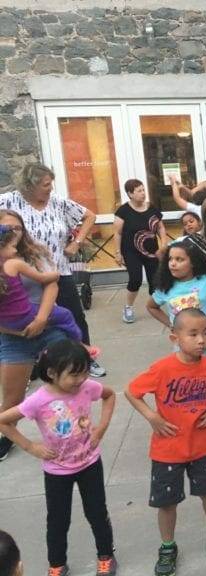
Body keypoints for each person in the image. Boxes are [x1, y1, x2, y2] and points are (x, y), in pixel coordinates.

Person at [0, 339, 117, 576]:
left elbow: (110, 395)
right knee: (57, 520)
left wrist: (101, 428)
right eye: (74, 375)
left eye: (84, 372)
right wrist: (31, 446)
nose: (81, 379)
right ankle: (57, 564)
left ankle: (105, 555)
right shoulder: (38, 400)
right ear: (52, 373)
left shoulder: (87, 387)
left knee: (96, 512)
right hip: (57, 471)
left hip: (90, 463)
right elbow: (4, 420)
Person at [126, 308, 206, 576]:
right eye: (193, 334)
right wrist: (152, 416)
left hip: (201, 446)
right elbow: (131, 391)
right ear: (175, 337)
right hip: (167, 449)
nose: (201, 340)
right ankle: (168, 546)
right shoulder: (162, 369)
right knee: (166, 503)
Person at [0, 163, 105, 378]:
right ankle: (34, 363)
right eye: (46, 184)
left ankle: (84, 358)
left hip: (58, 268)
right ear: (29, 185)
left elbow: (89, 216)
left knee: (73, 316)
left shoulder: (57, 202)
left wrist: (77, 242)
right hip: (22, 272)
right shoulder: (9, 200)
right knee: (24, 316)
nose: (50, 188)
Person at [0, 210, 68, 461]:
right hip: (13, 337)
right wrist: (9, 330)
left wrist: (41, 319)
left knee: (66, 384)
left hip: (48, 327)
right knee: (12, 397)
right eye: (7, 229)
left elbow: (51, 283)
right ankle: (7, 436)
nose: (13, 233)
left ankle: (68, 433)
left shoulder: (34, 253)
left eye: (17, 227)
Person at [0, 225, 82, 342]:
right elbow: (42, 278)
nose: (15, 250)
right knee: (66, 315)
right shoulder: (13, 264)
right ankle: (79, 344)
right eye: (12, 246)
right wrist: (55, 274)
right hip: (25, 315)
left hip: (6, 323)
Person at [114, 179, 166, 324]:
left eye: (143, 190)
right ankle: (128, 307)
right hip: (131, 252)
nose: (143, 193)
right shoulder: (123, 211)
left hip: (152, 251)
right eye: (139, 191)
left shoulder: (152, 208)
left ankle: (155, 307)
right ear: (130, 194)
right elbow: (117, 233)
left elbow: (161, 227)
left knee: (155, 281)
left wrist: (163, 244)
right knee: (135, 279)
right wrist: (118, 253)